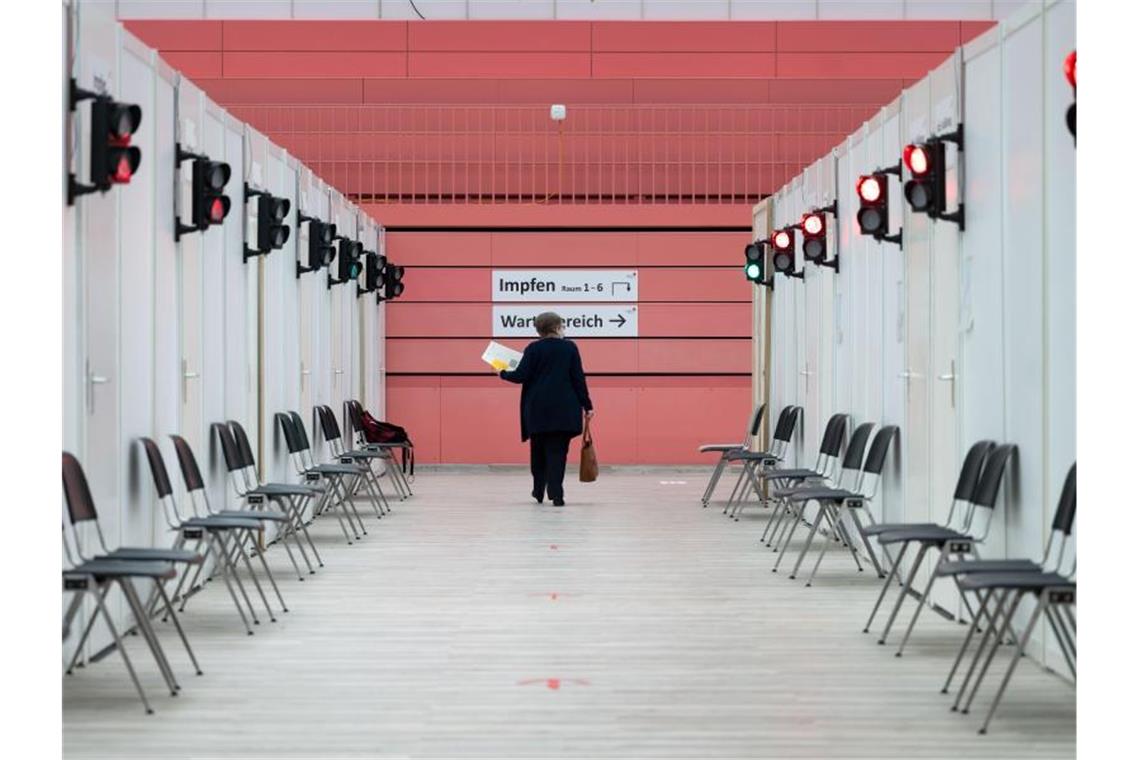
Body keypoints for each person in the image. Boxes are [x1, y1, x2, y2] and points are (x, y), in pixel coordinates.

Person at [497, 312, 594, 507]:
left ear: (539, 330)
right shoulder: (570, 348)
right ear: (557, 327)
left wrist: (502, 373)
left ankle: (538, 490)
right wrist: (587, 405)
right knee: (558, 453)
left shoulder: (533, 349)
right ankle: (556, 495)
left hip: (537, 410)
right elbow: (578, 379)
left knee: (538, 451)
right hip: (564, 411)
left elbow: (520, 376)